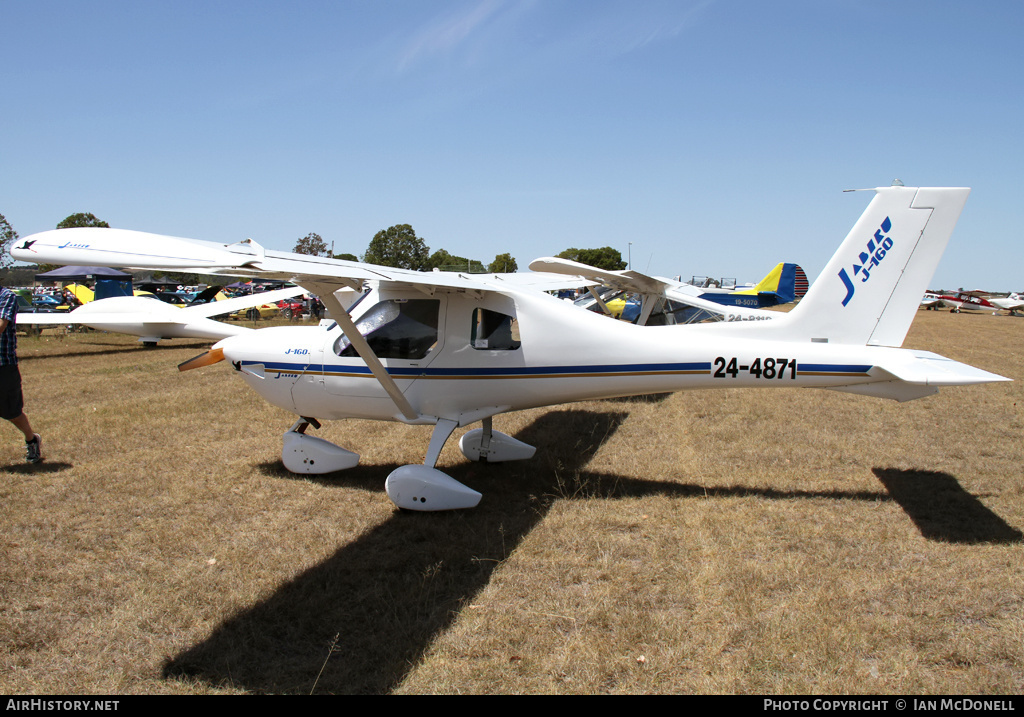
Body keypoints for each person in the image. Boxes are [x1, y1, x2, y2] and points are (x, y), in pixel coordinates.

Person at [0, 286, 42, 463]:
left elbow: (1, 326)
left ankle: (31, 439)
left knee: (12, 412)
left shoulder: (6, 296)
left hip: (4, 365)